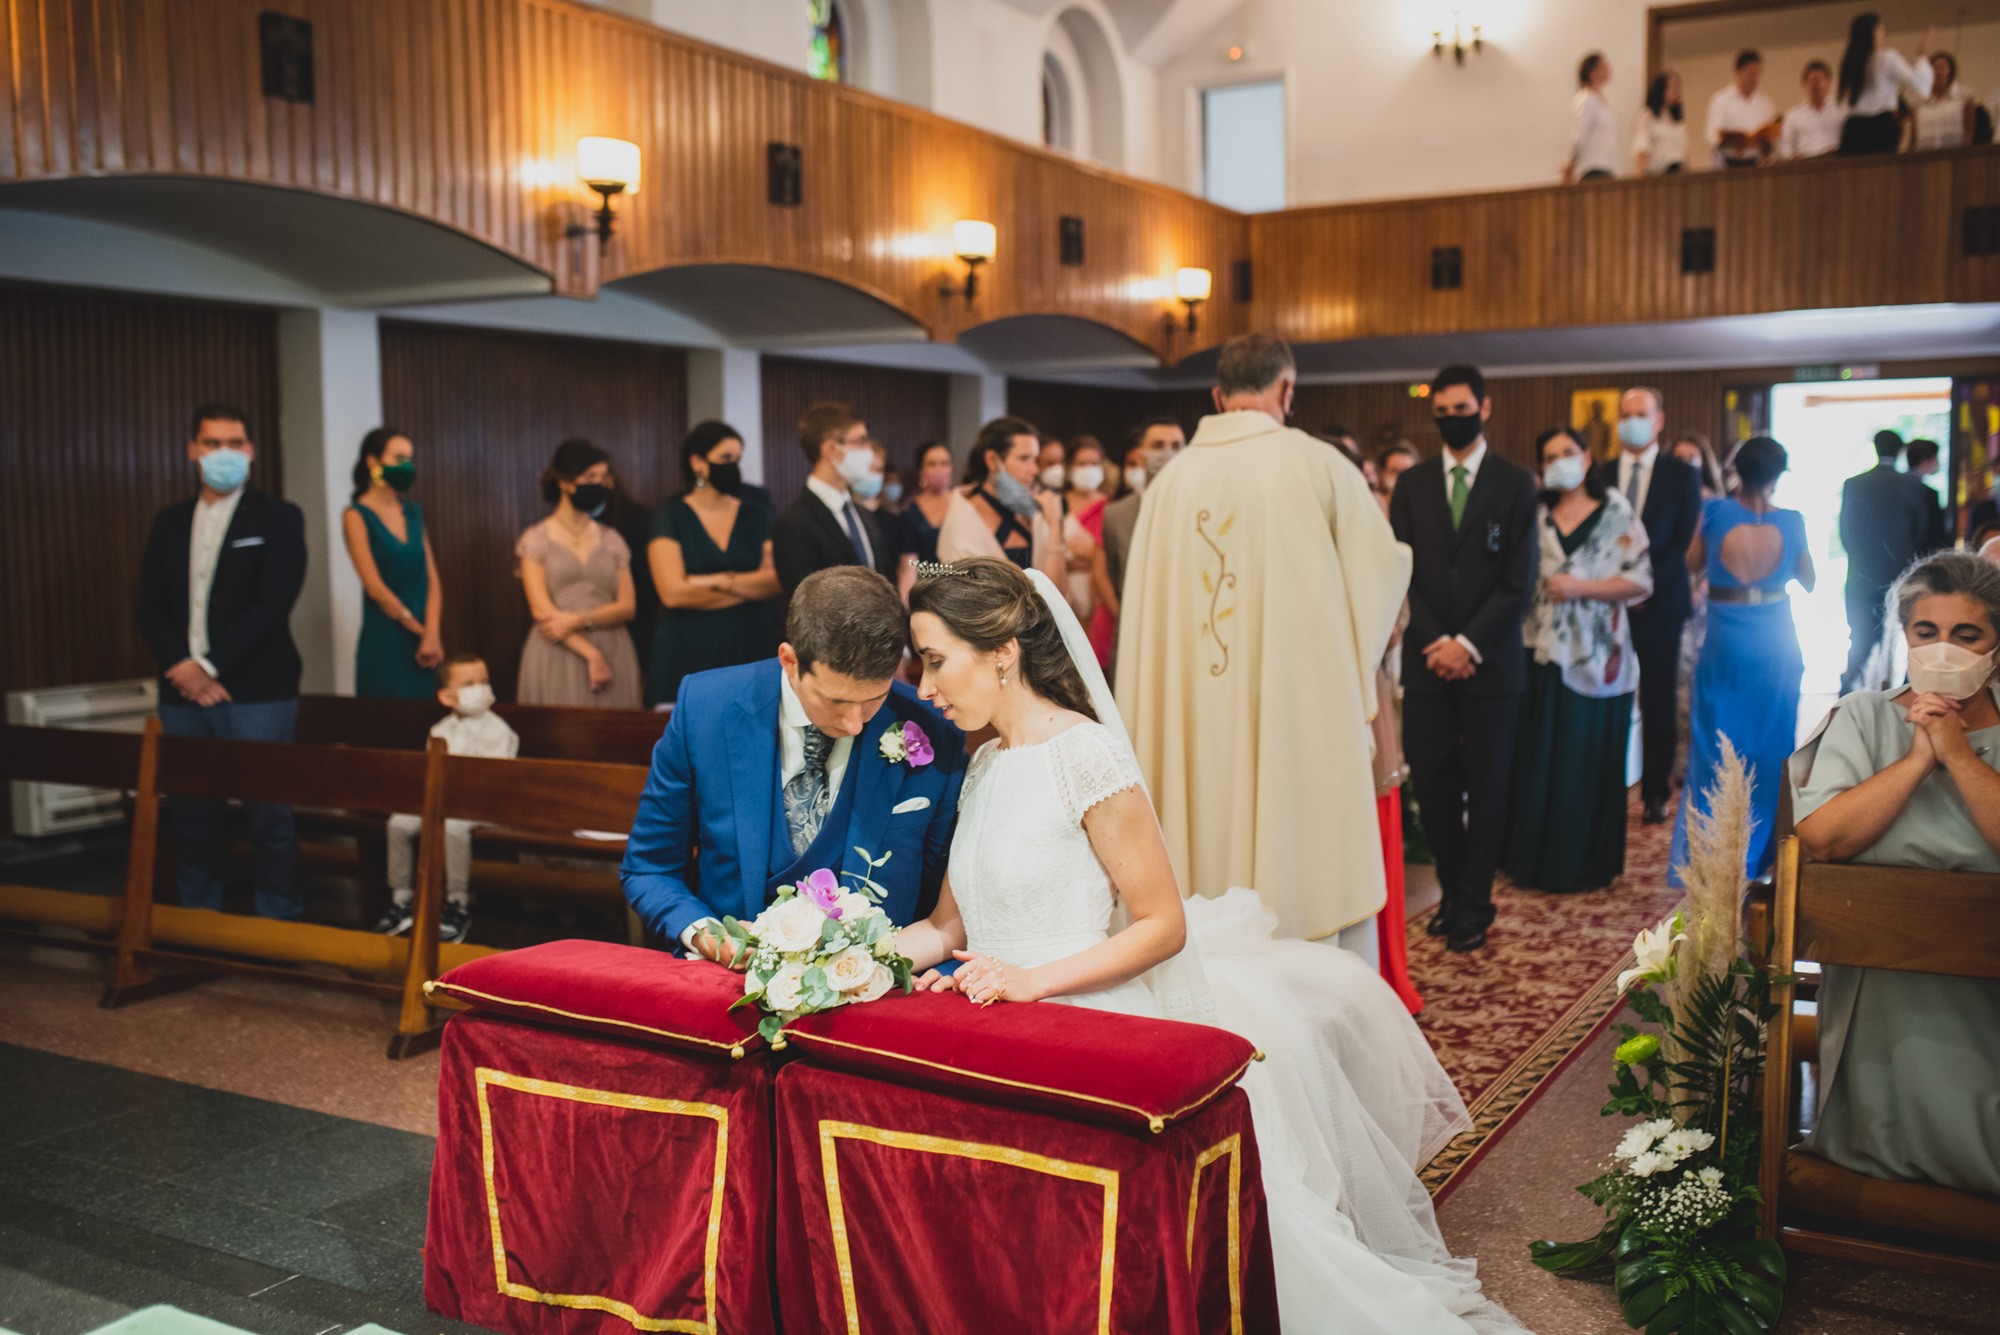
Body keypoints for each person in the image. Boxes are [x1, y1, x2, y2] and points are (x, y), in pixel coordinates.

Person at [897, 557, 1521, 1334]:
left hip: (1088, 1018)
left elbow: (1163, 924)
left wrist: (1033, 980)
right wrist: (858, 955)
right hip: (996, 1024)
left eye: (934, 659)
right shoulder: (985, 763)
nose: (924, 686)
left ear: (1002, 651)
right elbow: (947, 927)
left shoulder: (1085, 754)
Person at [1116, 334, 1411, 952]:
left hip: (1192, 720)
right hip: (1295, 718)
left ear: (1217, 395)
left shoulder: (1170, 484)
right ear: (1287, 388)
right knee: (1300, 851)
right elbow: (1379, 581)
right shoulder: (1319, 465)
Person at [621, 566, 966, 953]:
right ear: (789, 660)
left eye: (874, 699)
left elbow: (942, 906)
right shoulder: (706, 709)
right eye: (836, 701)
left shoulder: (936, 734)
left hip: (871, 981)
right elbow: (649, 867)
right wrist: (706, 935)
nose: (854, 723)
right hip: (724, 978)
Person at [1794, 552, 2000, 1197]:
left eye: (1967, 635)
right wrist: (1916, 760)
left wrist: (1958, 755)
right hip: (1879, 985)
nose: (1943, 649)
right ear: (1904, 636)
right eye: (1926, 632)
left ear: (1996, 647)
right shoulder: (1862, 715)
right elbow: (1823, 839)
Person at [135, 403, 307, 920]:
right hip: (181, 692)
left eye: (234, 443)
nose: (223, 454)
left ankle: (279, 922)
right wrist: (182, 668)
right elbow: (149, 605)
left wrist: (208, 668)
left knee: (268, 813)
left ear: (250, 451)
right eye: (212, 444)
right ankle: (199, 921)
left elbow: (273, 603)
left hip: (256, 691)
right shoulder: (169, 521)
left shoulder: (278, 516)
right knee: (190, 814)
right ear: (193, 451)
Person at [1389, 364, 1538, 953]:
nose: (1453, 419)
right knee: (1435, 788)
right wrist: (1437, 643)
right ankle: (1451, 895)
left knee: (1489, 788)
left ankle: (1476, 903)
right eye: (1443, 412)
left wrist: (1468, 644)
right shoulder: (1412, 484)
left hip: (1490, 665)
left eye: (1462, 409)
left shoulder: (1515, 483)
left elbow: (1518, 581)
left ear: (1485, 408)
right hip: (1428, 663)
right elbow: (1402, 572)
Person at [1503, 429, 1653, 894]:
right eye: (1550, 457)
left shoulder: (1615, 513)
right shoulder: (1535, 515)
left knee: (1582, 761)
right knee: (1537, 759)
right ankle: (1532, 861)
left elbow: (1641, 582)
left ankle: (1584, 863)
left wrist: (1580, 587)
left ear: (1587, 458)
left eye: (1568, 453)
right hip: (1538, 651)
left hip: (1597, 658)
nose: (1560, 462)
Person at [1670, 436, 1813, 885]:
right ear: (1778, 474)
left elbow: (1692, 563)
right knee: (1770, 747)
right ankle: (1760, 853)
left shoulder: (1714, 512)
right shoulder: (1791, 520)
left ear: (1737, 470)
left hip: (1727, 637)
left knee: (1714, 744)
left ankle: (1709, 853)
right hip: (1775, 640)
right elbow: (1809, 580)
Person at [1601, 386, 1704, 825]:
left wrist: (1640, 589)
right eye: (1625, 415)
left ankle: (1655, 792)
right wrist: (1616, 589)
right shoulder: (1601, 473)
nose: (1632, 422)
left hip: (1659, 602)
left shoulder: (1681, 475)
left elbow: (1680, 543)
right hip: (1606, 604)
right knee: (1607, 693)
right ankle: (1604, 785)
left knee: (1658, 699)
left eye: (1640, 414)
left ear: (1659, 420)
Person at [375, 654, 517, 944]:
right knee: (399, 824)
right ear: (446, 697)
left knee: (453, 827)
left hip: (482, 805)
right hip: (441, 802)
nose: (480, 689)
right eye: (469, 684)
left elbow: (496, 781)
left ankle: (457, 902)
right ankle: (402, 898)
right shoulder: (440, 731)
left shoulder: (500, 731)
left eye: (484, 682)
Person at [647, 420, 780, 706]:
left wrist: (716, 581)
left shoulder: (757, 514)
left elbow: (773, 582)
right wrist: (747, 587)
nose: (733, 467)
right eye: (725, 458)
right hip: (687, 647)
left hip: (751, 644)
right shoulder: (670, 516)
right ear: (698, 462)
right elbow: (672, 593)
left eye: (737, 459)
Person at [515, 438, 642, 708]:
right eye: (590, 477)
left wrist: (579, 620)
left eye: (602, 478)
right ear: (565, 482)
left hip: (613, 646)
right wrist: (591, 654)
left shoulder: (612, 539)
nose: (598, 485)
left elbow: (627, 606)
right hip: (559, 648)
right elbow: (542, 612)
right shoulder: (535, 539)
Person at [342, 427, 443, 700]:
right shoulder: (356, 515)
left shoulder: (413, 512)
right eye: (399, 458)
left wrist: (432, 633)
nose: (407, 466)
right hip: (386, 635)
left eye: (410, 459)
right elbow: (375, 588)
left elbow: (432, 579)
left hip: (425, 638)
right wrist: (420, 630)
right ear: (373, 461)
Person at [1839, 430, 1937, 694]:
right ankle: (1893, 697)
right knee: (1904, 641)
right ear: (1900, 451)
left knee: (1859, 640)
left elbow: (1846, 533)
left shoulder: (1854, 484)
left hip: (1861, 577)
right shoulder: (1912, 485)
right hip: (1901, 576)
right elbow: (1920, 532)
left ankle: (1846, 695)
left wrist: (1862, 561)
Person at [772, 402, 897, 598]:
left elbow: (887, 584)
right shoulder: (794, 523)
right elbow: (806, 603)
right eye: (860, 441)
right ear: (831, 449)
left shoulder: (863, 514)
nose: (868, 451)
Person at [1091, 415, 1184, 668]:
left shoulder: (1201, 508)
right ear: (1140, 454)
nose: (1167, 453)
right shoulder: (1116, 515)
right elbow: (1114, 574)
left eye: (1176, 446)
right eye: (1158, 445)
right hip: (1135, 633)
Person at [936, 416, 1066, 587]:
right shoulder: (963, 518)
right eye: (1024, 458)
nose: (1034, 470)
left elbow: (1058, 592)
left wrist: (1055, 526)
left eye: (1035, 460)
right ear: (992, 460)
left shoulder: (1037, 508)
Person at [1837, 12, 1934, 156]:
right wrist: (1922, 54)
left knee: (1854, 171)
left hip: (1853, 129)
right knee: (1883, 169)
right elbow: (1921, 85)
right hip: (1881, 127)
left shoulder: (1849, 62)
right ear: (1875, 31)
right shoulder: (1886, 58)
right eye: (1882, 29)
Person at [895, 441, 955, 599]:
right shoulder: (910, 512)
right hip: (926, 593)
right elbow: (908, 566)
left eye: (944, 463)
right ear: (921, 470)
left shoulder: (963, 506)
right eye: (932, 464)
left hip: (962, 587)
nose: (939, 469)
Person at [1059, 436, 1107, 622]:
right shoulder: (1058, 505)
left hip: (1102, 592)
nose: (1089, 469)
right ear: (1069, 468)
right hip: (1066, 591)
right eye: (1082, 463)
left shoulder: (1111, 506)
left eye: (1094, 463)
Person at [1707, 49, 1778, 168]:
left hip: (1757, 162)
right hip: (1730, 163)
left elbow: (1772, 135)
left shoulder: (1765, 102)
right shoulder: (1721, 100)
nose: (1753, 78)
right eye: (1750, 73)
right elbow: (1712, 136)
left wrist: (1766, 139)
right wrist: (1734, 142)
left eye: (1757, 73)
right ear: (1738, 72)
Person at [1563, 52, 1618, 182]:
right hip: (1592, 168)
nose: (1609, 68)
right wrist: (1570, 164)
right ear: (1593, 72)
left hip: (1607, 166)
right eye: (1604, 66)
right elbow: (1579, 134)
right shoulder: (1586, 99)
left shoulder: (1602, 101)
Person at [1778, 60, 1846, 161]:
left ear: (1828, 82)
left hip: (1834, 162)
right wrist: (1794, 157)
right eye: (1812, 80)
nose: (1815, 84)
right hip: (1805, 165)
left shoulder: (1841, 111)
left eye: (1819, 80)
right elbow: (1785, 147)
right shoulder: (1793, 115)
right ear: (1805, 84)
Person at [1633, 70, 1687, 175]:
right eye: (1674, 88)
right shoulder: (1647, 117)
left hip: (1678, 173)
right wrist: (1640, 176)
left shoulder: (1678, 121)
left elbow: (1684, 151)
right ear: (1661, 90)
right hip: (1657, 174)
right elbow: (1642, 149)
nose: (1677, 92)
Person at [1905, 436, 1951, 552]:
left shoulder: (1898, 488)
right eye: (1936, 458)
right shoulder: (1927, 493)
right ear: (1925, 461)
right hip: (1924, 556)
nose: (1938, 463)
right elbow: (1937, 536)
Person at [1671, 430, 1727, 500]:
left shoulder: (1714, 499)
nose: (1684, 462)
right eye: (1679, 458)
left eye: (1691, 458)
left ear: (1703, 462)